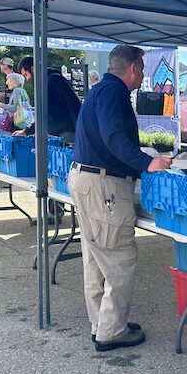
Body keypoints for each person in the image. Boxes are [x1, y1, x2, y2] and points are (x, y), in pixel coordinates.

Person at [68, 44, 171, 352]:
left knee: (97, 258)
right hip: (104, 187)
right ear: (132, 69)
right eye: (141, 68)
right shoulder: (113, 93)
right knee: (119, 258)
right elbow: (114, 136)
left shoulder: (101, 90)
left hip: (89, 181)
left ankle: (103, 322)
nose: (142, 75)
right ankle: (111, 331)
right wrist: (146, 163)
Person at [15, 56, 81, 142]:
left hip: (66, 132)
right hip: (57, 132)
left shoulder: (53, 79)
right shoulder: (44, 83)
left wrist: (80, 129)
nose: (27, 79)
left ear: (32, 68)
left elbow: (73, 104)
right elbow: (43, 114)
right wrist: (27, 131)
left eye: (26, 74)